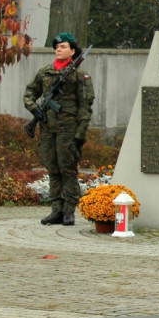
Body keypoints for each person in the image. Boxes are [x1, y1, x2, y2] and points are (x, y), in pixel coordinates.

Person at [23, 32, 95, 226]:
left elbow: (85, 106)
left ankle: (69, 211)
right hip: (47, 128)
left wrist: (80, 133)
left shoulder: (80, 74)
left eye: (63, 47)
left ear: (72, 51)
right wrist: (34, 108)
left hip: (68, 130)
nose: (58, 49)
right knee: (53, 169)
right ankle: (56, 210)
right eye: (56, 47)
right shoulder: (45, 72)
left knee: (68, 170)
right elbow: (29, 93)